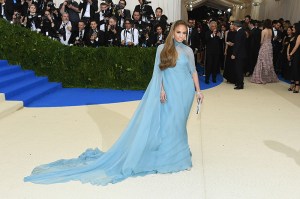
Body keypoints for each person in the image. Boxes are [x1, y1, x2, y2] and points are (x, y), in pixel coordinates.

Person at [24, 20, 204, 186]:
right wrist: (161, 89)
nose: (181, 36)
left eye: (184, 33)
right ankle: (170, 158)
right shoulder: (161, 49)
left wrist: (198, 91)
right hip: (169, 92)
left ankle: (180, 158)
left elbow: (194, 71)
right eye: (179, 32)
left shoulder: (188, 51)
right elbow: (158, 73)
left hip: (185, 92)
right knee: (168, 123)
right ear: (172, 33)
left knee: (179, 124)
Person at [250, 19, 279, 84]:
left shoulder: (263, 31)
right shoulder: (271, 31)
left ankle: (260, 77)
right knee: (268, 61)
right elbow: (271, 39)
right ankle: (268, 76)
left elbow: (261, 41)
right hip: (269, 46)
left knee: (261, 60)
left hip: (264, 46)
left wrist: (260, 44)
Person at [231, 20, 247, 89]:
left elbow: (238, 45)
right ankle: (238, 82)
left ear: (236, 26)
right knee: (238, 69)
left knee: (239, 69)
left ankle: (240, 84)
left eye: (233, 25)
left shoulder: (239, 32)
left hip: (239, 54)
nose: (232, 26)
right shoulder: (241, 31)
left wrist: (234, 54)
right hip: (241, 53)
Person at [287, 23, 300, 93]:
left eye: (294, 27)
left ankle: (297, 86)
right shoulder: (293, 36)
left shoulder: (299, 36)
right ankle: (292, 84)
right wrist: (288, 54)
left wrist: (291, 53)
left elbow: (296, 46)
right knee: (291, 69)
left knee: (296, 69)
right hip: (292, 54)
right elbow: (289, 45)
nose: (293, 28)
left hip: (297, 55)